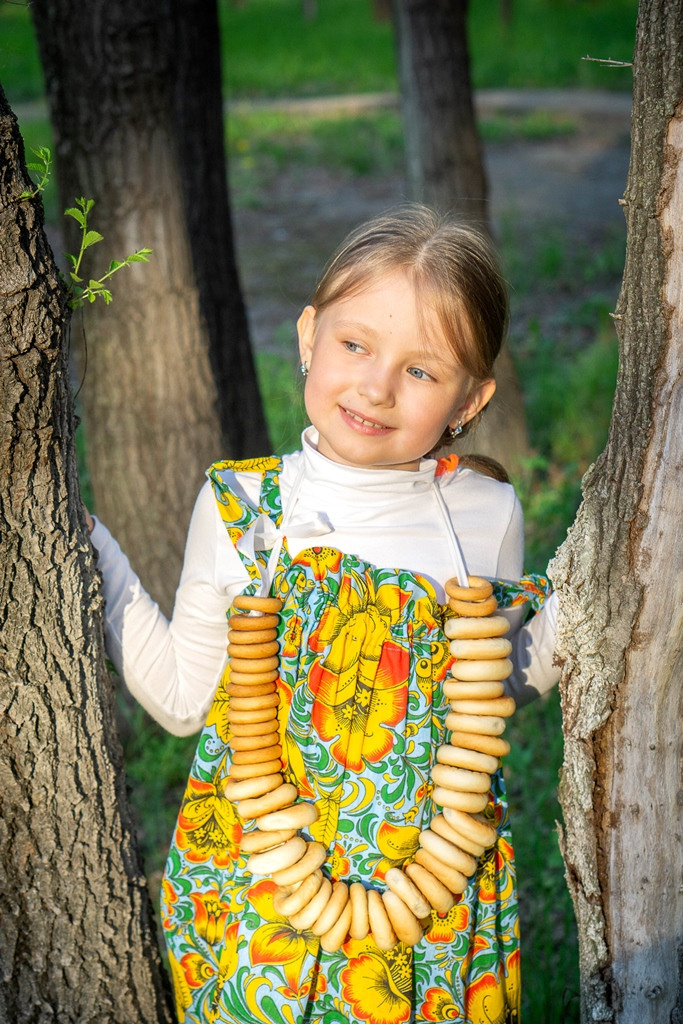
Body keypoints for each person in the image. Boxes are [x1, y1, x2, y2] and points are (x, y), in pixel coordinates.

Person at [90, 204, 559, 1024]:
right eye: (354, 345)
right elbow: (180, 700)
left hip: (431, 903)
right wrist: (83, 541)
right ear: (308, 336)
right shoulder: (242, 505)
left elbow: (482, 696)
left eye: (421, 371)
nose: (375, 386)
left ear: (468, 400)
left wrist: (576, 625)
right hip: (262, 895)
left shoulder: (484, 514)